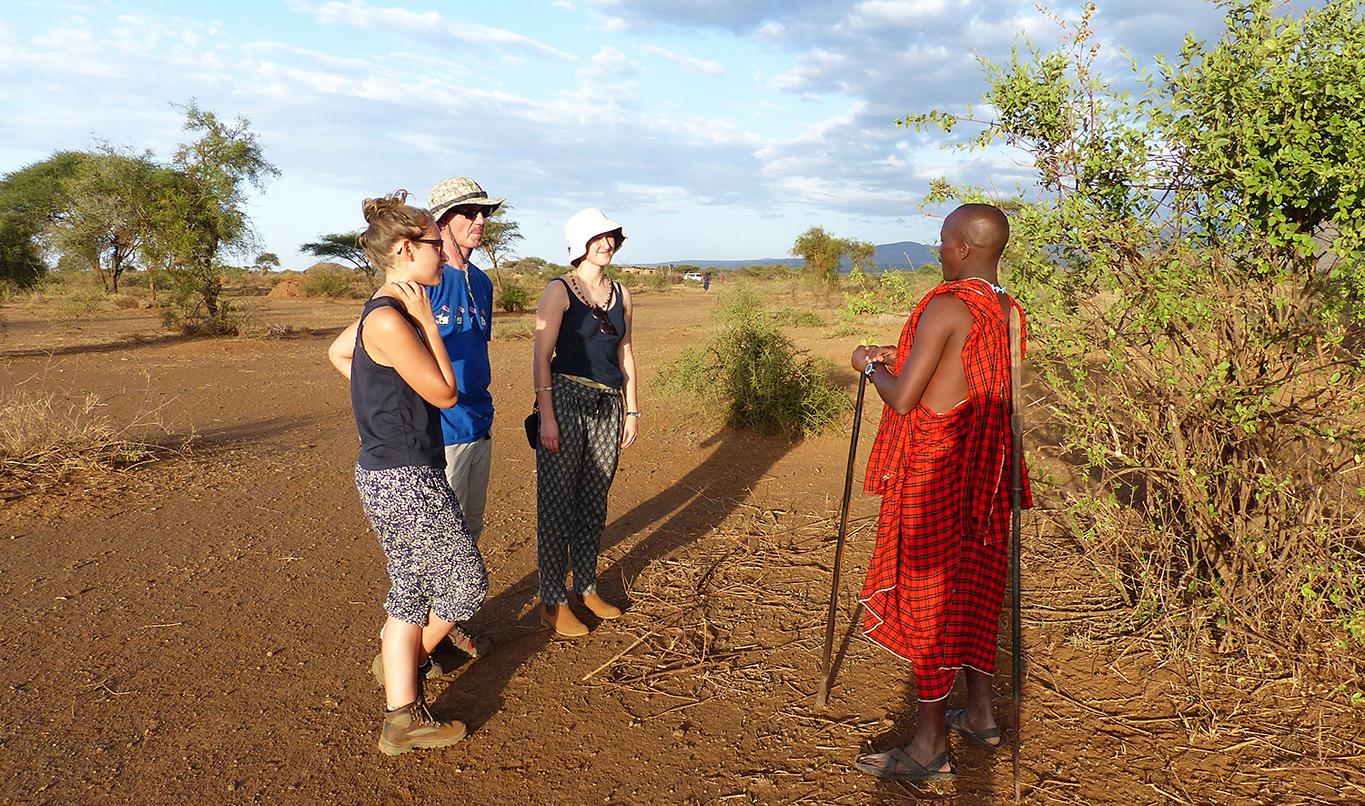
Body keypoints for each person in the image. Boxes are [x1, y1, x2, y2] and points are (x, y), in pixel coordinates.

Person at [847, 203, 1032, 782]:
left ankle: (929, 745)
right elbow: (955, 375)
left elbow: (904, 399)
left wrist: (867, 365)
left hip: (935, 474)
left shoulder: (947, 306)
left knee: (928, 599)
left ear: (964, 248)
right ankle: (980, 715)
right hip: (985, 477)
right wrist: (897, 358)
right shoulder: (1008, 310)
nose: (940, 250)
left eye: (945, 242)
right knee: (974, 590)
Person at [329, 191, 489, 755]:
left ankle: (403, 711)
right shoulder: (395, 317)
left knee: (414, 590)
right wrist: (428, 324)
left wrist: (381, 402)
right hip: (401, 475)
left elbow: (338, 355)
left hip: (391, 468)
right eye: (432, 243)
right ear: (404, 249)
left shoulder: (382, 310)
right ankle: (403, 669)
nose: (442, 251)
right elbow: (446, 393)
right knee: (466, 583)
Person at [532, 208, 640, 637]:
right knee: (557, 503)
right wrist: (548, 418)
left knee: (595, 501)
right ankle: (553, 600)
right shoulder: (559, 291)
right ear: (580, 243)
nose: (607, 244)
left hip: (608, 405)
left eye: (611, 237)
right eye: (598, 238)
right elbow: (541, 357)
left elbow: (625, 354)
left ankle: (588, 587)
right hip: (566, 399)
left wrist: (631, 409)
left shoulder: (622, 294)